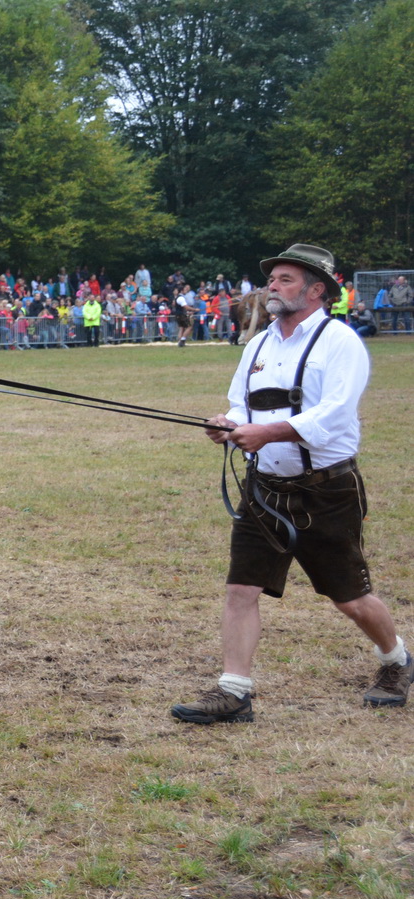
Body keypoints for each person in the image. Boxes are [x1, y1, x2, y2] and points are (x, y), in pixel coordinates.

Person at [174, 244, 406, 724]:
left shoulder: (340, 342)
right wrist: (227, 423)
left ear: (316, 290)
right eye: (271, 279)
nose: (271, 287)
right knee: (242, 589)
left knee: (350, 598)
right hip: (264, 487)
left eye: (284, 279)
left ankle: (397, 660)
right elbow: (242, 404)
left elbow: (335, 414)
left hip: (327, 490)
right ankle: (234, 692)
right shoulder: (258, 344)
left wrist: (266, 432)